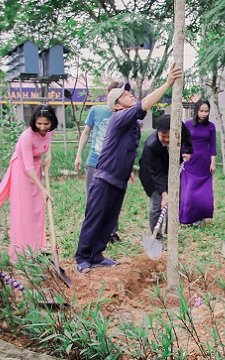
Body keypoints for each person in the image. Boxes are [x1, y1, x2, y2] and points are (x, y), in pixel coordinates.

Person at [75, 65, 182, 274]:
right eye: (124, 94)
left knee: (109, 220)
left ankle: (97, 255)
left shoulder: (132, 124)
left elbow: (125, 150)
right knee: (95, 217)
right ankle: (82, 258)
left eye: (128, 92)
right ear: (117, 104)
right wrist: (168, 83)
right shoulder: (119, 117)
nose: (129, 95)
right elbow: (146, 103)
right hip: (104, 178)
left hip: (119, 180)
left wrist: (130, 170)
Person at [0, 104, 58, 262]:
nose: (42, 127)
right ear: (33, 121)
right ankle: (21, 253)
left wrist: (48, 155)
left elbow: (47, 141)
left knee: (37, 211)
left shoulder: (49, 131)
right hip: (22, 171)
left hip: (36, 168)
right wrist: (42, 189)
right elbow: (27, 166)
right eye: (39, 123)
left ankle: (35, 250)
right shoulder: (27, 137)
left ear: (51, 123)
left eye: (46, 124)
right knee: (24, 211)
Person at [74, 81, 123, 244]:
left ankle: (112, 233)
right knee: (93, 199)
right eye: (113, 93)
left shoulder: (123, 114)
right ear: (107, 94)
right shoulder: (96, 110)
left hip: (113, 165)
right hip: (94, 163)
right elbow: (86, 132)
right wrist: (78, 155)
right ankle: (92, 233)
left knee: (113, 199)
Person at [139, 115, 193, 241]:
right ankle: (157, 237)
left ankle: (171, 230)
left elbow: (188, 135)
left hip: (172, 167)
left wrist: (189, 150)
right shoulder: (151, 145)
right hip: (151, 173)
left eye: (169, 136)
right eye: (163, 136)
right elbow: (156, 173)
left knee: (174, 201)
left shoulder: (179, 127)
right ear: (157, 131)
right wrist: (164, 194)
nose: (167, 139)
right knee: (157, 205)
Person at [179, 99, 216, 226]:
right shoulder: (188, 124)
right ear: (196, 111)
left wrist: (213, 162)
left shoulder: (211, 126)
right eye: (201, 111)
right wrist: (183, 156)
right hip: (190, 160)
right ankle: (187, 218)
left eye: (206, 111)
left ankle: (200, 218)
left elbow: (213, 146)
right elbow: (183, 142)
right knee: (189, 190)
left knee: (203, 192)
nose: (204, 114)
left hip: (204, 161)